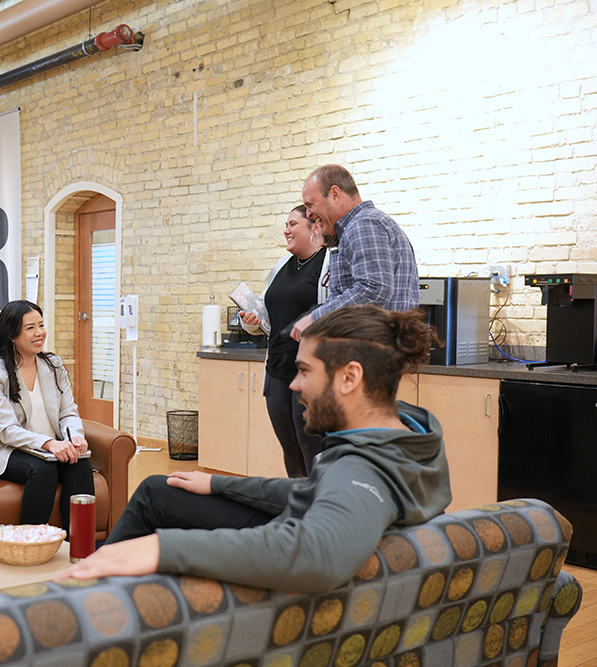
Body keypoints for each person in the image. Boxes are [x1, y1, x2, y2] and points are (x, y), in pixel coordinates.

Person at [58, 305, 450, 593]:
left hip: (279, 554)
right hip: (292, 523)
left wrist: (162, 548)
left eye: (305, 371)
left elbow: (318, 554)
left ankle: (85, 600)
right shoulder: (409, 435)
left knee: (152, 503)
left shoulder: (361, 471)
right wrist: (219, 485)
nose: (294, 385)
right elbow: (310, 490)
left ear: (350, 377)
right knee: (160, 489)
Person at [0, 300, 94, 533]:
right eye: (30, 328)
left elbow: (68, 412)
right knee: (42, 469)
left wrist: (74, 437)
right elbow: (6, 431)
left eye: (41, 325)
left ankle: (78, 545)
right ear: (12, 335)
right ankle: (30, 542)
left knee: (81, 466)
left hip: (50, 448)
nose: (39, 333)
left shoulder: (53, 365)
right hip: (6, 450)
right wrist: (49, 443)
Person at [240, 204, 329, 477]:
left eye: (293, 224)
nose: (286, 230)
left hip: (309, 370)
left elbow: (334, 313)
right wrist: (251, 321)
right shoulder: (281, 266)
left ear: (315, 227)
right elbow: (268, 317)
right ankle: (297, 507)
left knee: (311, 447)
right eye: (286, 225)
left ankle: (320, 511)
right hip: (277, 367)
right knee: (289, 448)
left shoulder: (329, 263)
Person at [291, 165, 419, 341]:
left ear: (335, 194)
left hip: (374, 352)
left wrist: (316, 318)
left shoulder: (363, 224)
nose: (309, 214)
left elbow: (374, 289)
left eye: (310, 205)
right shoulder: (357, 227)